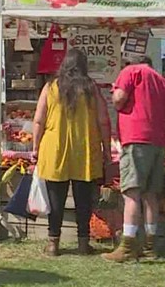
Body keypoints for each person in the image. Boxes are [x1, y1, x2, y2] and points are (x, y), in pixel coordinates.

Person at [33, 49, 112, 256]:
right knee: (84, 199)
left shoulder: (51, 87)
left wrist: (35, 147)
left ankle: (53, 243)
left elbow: (39, 120)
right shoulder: (91, 88)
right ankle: (83, 243)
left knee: (55, 198)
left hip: (55, 148)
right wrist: (106, 150)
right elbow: (104, 120)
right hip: (84, 149)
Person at [104, 55, 165, 262]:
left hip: (136, 138)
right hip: (158, 141)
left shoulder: (131, 72)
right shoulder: (163, 82)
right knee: (151, 195)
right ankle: (150, 246)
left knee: (131, 192)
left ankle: (127, 246)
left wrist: (118, 103)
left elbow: (118, 98)